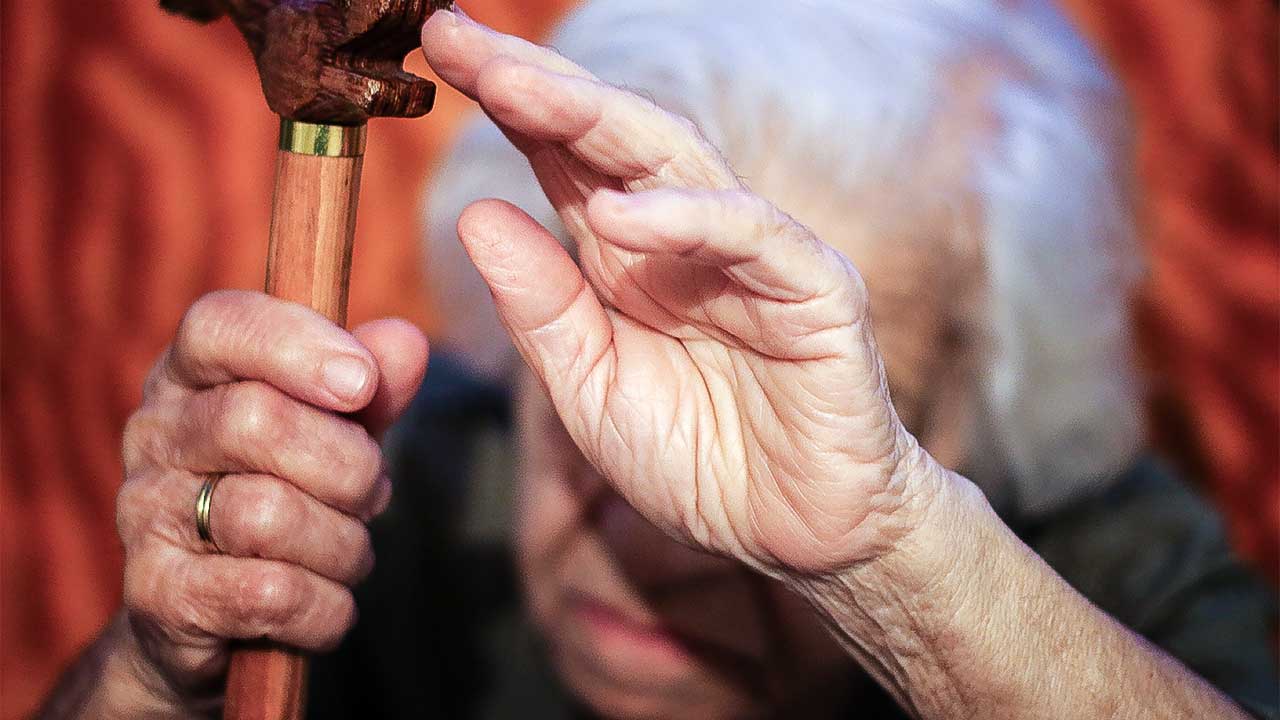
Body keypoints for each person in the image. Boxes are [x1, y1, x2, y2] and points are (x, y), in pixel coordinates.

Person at [39, 2, 1277, 719]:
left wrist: (887, 559)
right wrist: (153, 677)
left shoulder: (1104, 583)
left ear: (986, 432)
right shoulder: (378, 498)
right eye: (594, 395)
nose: (651, 545)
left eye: (824, 409)